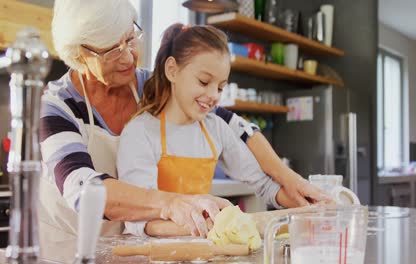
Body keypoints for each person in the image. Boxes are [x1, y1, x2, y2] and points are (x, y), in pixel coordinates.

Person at [39, 0, 331, 248]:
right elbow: (84, 191)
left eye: (130, 39)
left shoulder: (148, 85)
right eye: (112, 50)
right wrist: (170, 203)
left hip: (128, 242)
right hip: (68, 246)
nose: (128, 56)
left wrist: (289, 180)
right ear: (79, 55)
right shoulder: (57, 106)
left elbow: (235, 127)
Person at [117, 23, 307, 237]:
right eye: (204, 81)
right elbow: (140, 220)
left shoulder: (215, 128)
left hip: (200, 250)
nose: (213, 95)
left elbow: (264, 184)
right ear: (172, 70)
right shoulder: (140, 132)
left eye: (220, 87)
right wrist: (213, 226)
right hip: (148, 254)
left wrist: (309, 206)